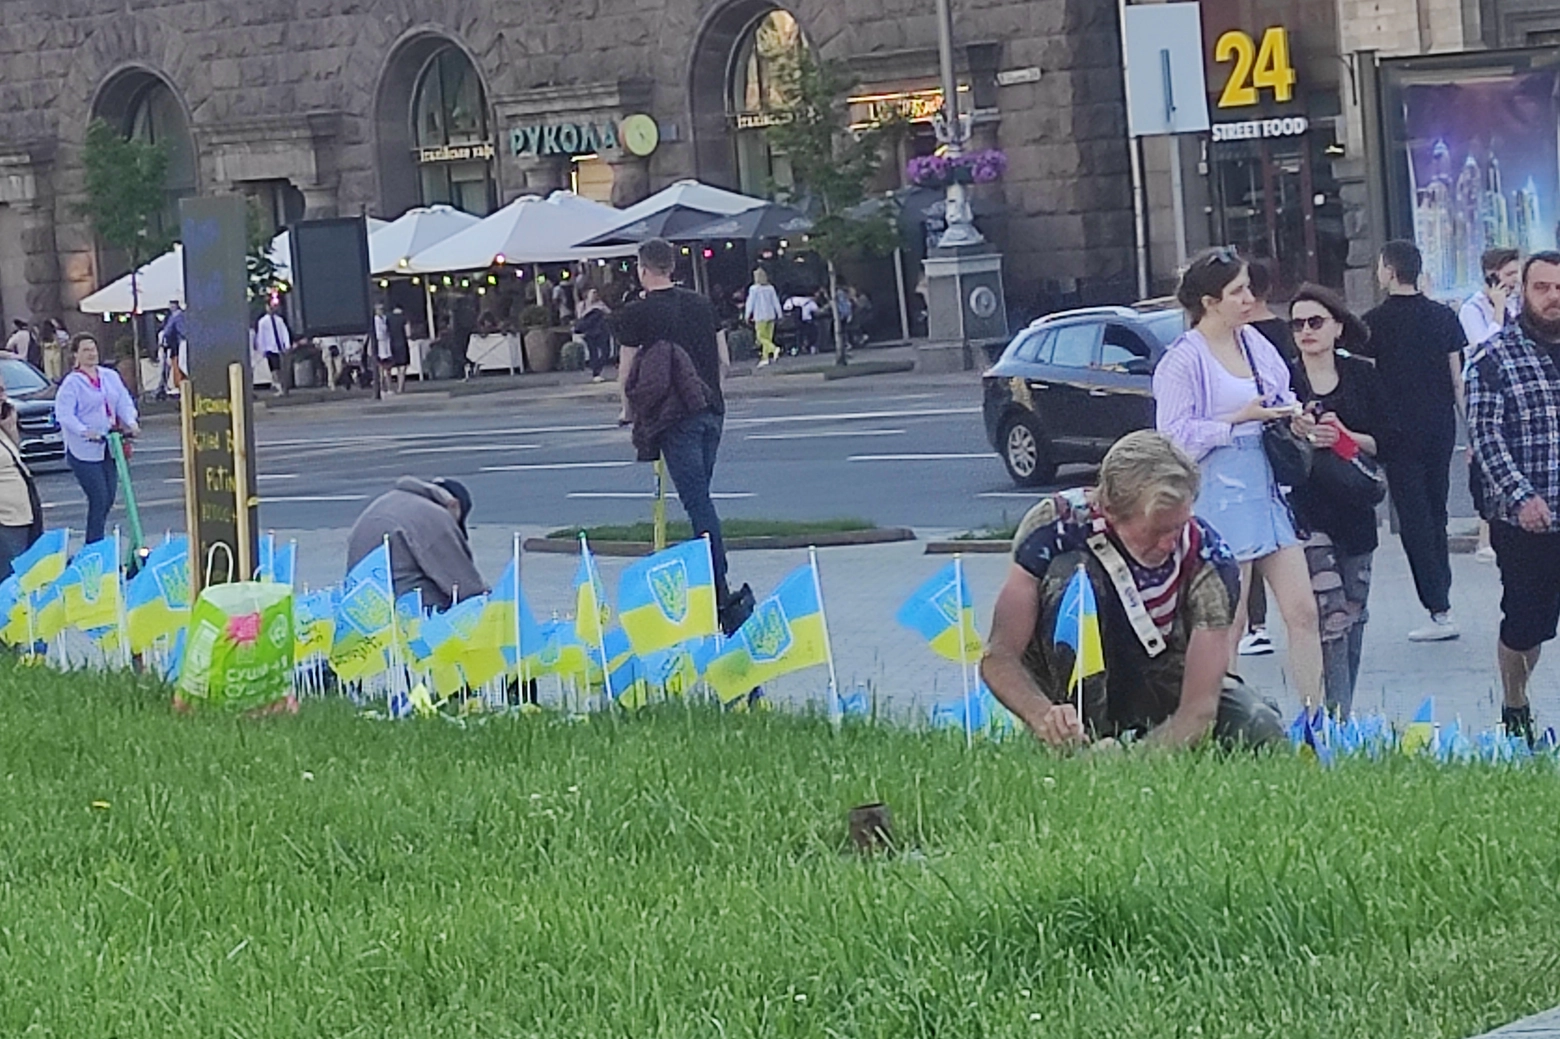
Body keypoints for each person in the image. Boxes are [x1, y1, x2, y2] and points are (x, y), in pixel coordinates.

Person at [981, 430, 1284, 749]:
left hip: (1160, 674)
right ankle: (1082, 734)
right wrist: (1042, 714)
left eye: (1179, 527)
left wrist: (1135, 761)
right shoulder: (1055, 526)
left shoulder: (1209, 560)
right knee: (1072, 574)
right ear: (1109, 511)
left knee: (1259, 724)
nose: (1169, 543)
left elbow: (1198, 708)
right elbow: (999, 656)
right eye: (1156, 531)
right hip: (1066, 675)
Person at [1153, 247, 1324, 708]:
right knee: (1227, 623)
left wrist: (1294, 417)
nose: (1249, 299)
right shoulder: (1183, 360)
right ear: (1210, 302)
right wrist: (1231, 421)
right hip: (1217, 494)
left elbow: (1282, 393)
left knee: (1303, 611)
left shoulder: (1254, 343)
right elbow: (1171, 438)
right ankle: (1228, 720)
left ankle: (1316, 720)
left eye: (1248, 288)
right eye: (1238, 291)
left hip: (1265, 488)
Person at [614, 237, 753, 635]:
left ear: (643, 269)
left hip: (676, 419)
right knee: (700, 496)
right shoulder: (702, 304)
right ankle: (710, 580)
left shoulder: (636, 314)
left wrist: (627, 412)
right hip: (712, 412)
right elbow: (724, 361)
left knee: (697, 503)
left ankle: (718, 589)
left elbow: (626, 374)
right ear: (672, 266)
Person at [1286, 284, 1396, 717]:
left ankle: (1342, 710)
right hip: (1305, 510)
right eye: (1297, 324)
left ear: (1337, 326)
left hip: (1355, 508)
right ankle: (1334, 717)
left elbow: (1390, 440)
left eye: (1315, 322)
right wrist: (1298, 433)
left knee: (1353, 613)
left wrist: (1346, 439)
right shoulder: (1287, 378)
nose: (1306, 331)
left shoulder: (1363, 375)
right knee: (1329, 616)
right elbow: (1270, 440)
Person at [1466, 251, 1560, 746]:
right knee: (1528, 623)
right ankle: (1515, 700)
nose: (1552, 298)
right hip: (1527, 517)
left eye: (1559, 288)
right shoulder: (1495, 356)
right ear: (1522, 292)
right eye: (1542, 287)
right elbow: (1485, 436)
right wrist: (1521, 496)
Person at [1359, 239, 1467, 641]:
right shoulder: (1443, 317)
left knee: (1413, 519)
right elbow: (1457, 380)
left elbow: (1368, 382)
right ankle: (1443, 600)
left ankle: (1438, 607)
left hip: (1398, 432)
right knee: (1436, 513)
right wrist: (1471, 431)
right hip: (1440, 427)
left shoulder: (1372, 323)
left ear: (1389, 270)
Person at [1459, 247, 1521, 565]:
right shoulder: (1473, 309)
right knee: (1487, 459)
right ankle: (1486, 534)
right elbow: (1483, 350)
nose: (1514, 281)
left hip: (1516, 391)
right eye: (1509, 275)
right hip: (1485, 391)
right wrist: (1497, 311)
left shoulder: (1516, 306)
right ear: (1492, 274)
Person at [345, 476, 487, 610]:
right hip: (407, 614)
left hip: (363, 606)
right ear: (453, 505)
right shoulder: (434, 516)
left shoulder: (385, 502)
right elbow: (465, 585)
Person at [53, 333, 139, 543]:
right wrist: (84, 431)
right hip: (84, 450)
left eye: (93, 349)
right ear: (76, 355)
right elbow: (64, 414)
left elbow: (123, 401)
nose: (91, 354)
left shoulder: (109, 376)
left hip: (110, 444)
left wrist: (131, 421)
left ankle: (97, 541)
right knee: (98, 497)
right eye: (85, 350)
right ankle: (94, 544)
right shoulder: (72, 383)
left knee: (109, 496)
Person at [0, 374, 41, 579]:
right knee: (10, 579)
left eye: (3, 391)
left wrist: (10, 428)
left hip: (22, 514)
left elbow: (15, 456)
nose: (2, 397)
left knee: (23, 575)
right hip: (5, 518)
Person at [744, 269, 783, 366]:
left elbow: (750, 303)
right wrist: (779, 313)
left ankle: (774, 349)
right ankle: (765, 358)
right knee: (768, 337)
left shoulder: (754, 289)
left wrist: (747, 314)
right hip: (771, 315)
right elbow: (775, 302)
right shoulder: (770, 288)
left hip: (760, 316)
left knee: (760, 337)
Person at [573, 288, 613, 382]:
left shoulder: (601, 305)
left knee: (604, 352)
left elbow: (609, 313)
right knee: (594, 353)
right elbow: (580, 317)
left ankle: (597, 370)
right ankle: (596, 372)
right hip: (591, 332)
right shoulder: (582, 305)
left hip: (600, 330)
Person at [254, 301, 291, 396]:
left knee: (282, 368)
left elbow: (284, 332)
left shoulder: (279, 320)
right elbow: (261, 336)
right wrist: (262, 349)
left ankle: (283, 387)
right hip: (270, 348)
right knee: (275, 369)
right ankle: (279, 387)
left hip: (280, 348)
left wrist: (287, 345)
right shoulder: (262, 322)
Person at [157, 301, 185, 399]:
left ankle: (180, 387)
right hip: (172, 346)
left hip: (177, 345)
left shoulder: (177, 316)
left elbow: (172, 331)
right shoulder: (172, 317)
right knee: (172, 365)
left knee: (179, 365)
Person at [386, 305, 411, 394]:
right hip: (402, 344)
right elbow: (408, 333)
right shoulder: (404, 318)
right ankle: (400, 388)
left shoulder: (387, 318)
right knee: (402, 368)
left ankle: (389, 388)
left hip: (390, 344)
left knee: (388, 367)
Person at [372, 303, 394, 394]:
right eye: (379, 309)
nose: (380, 311)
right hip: (379, 346)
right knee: (380, 369)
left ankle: (389, 388)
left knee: (388, 369)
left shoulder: (385, 319)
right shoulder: (375, 320)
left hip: (386, 345)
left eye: (382, 309)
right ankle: (382, 388)